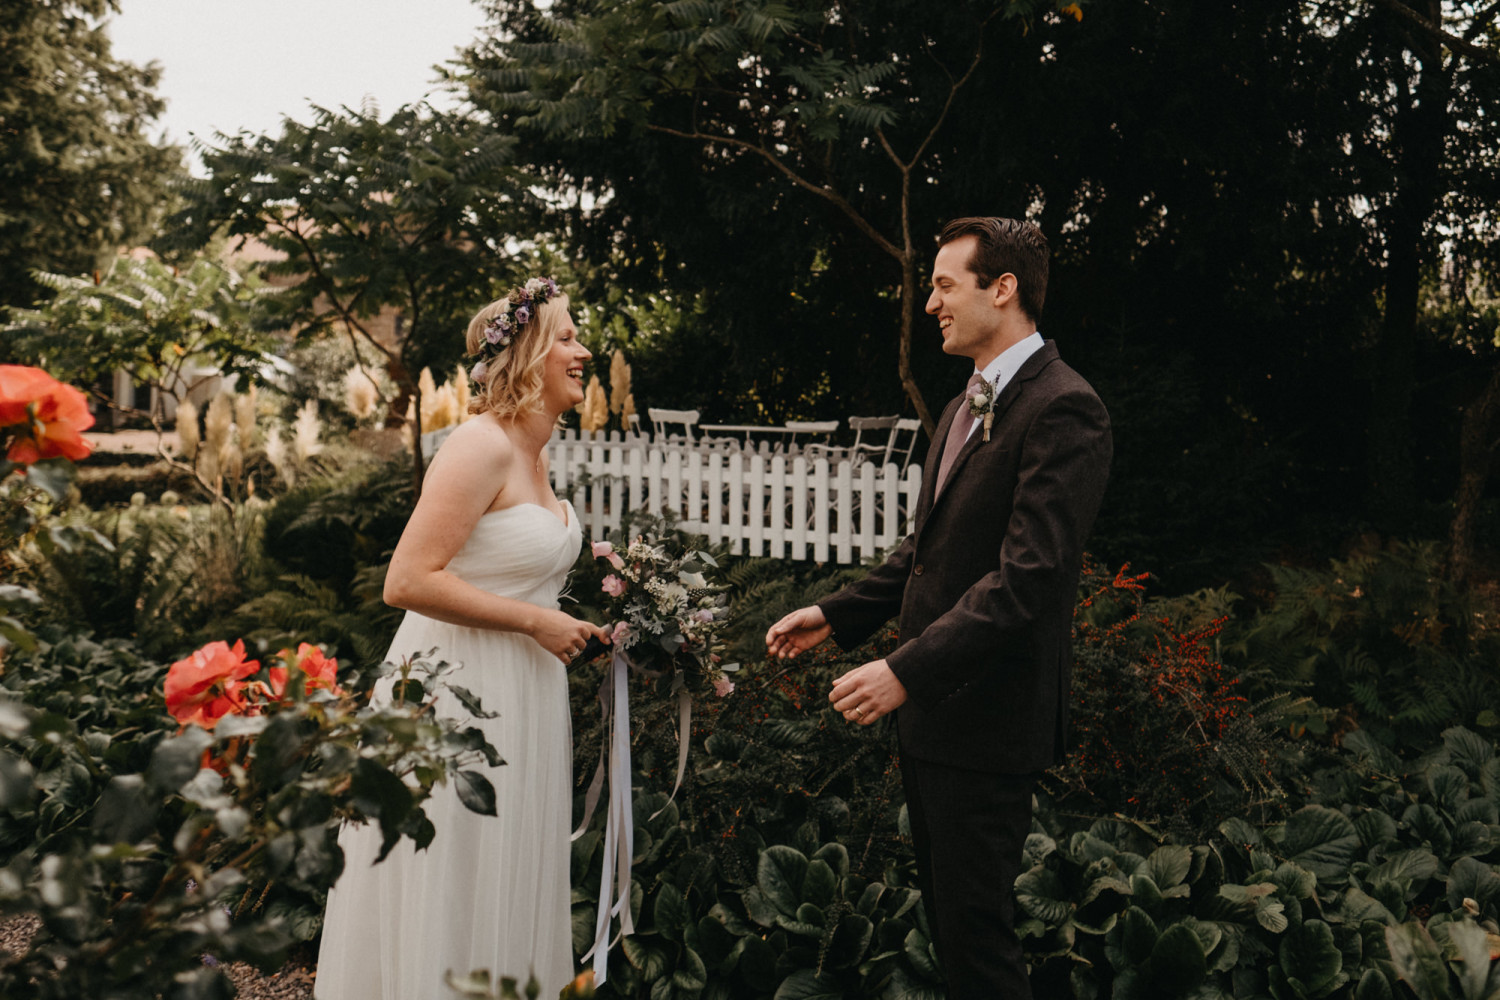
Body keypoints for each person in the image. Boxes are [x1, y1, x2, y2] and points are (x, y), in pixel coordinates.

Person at [765, 218, 1112, 999]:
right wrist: (839, 615)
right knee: (956, 934)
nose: (930, 304)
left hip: (989, 719)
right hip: (935, 720)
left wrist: (905, 670)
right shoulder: (963, 405)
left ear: (1004, 288)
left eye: (945, 284)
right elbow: (929, 552)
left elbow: (1028, 578)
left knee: (979, 941)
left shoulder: (1065, 408)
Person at [316, 279, 609, 999]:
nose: (583, 350)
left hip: (527, 693)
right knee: (452, 866)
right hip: (454, 695)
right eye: (567, 338)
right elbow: (408, 580)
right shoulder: (478, 445)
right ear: (531, 355)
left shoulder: (536, 455)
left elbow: (516, 576)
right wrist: (537, 621)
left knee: (507, 867)